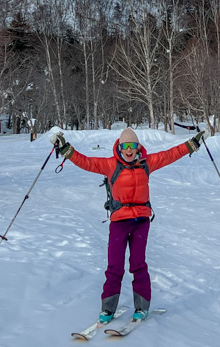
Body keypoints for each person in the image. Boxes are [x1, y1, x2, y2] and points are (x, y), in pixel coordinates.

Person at [50, 126, 206, 323]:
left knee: (138, 264)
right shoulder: (110, 165)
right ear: (120, 147)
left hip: (141, 220)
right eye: (125, 146)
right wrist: (66, 150)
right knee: (114, 266)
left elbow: (171, 154)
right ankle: (108, 309)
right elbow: (86, 162)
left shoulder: (147, 163)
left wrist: (192, 144)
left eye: (133, 145)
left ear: (138, 146)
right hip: (119, 222)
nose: (129, 150)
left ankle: (141, 306)